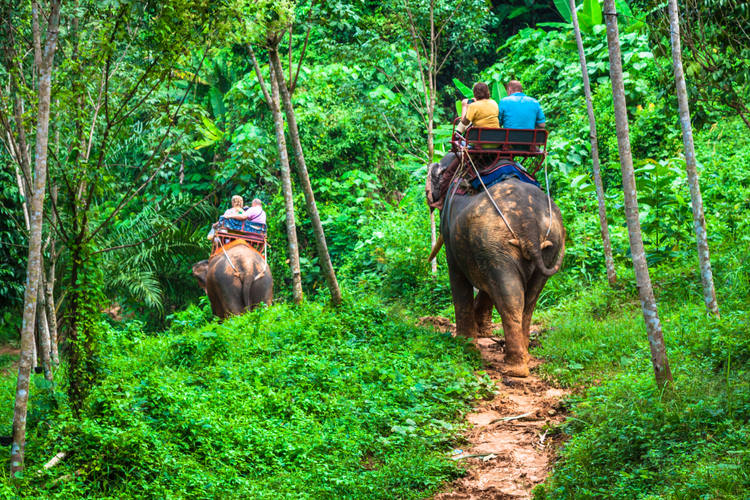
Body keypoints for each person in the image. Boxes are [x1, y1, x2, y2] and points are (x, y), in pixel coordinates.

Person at [428, 82, 499, 207]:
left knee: (449, 172)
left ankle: (441, 201)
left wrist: (457, 134)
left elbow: (465, 122)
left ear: (475, 94)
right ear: (488, 92)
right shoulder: (494, 104)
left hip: (480, 146)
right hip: (497, 145)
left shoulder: (474, 106)